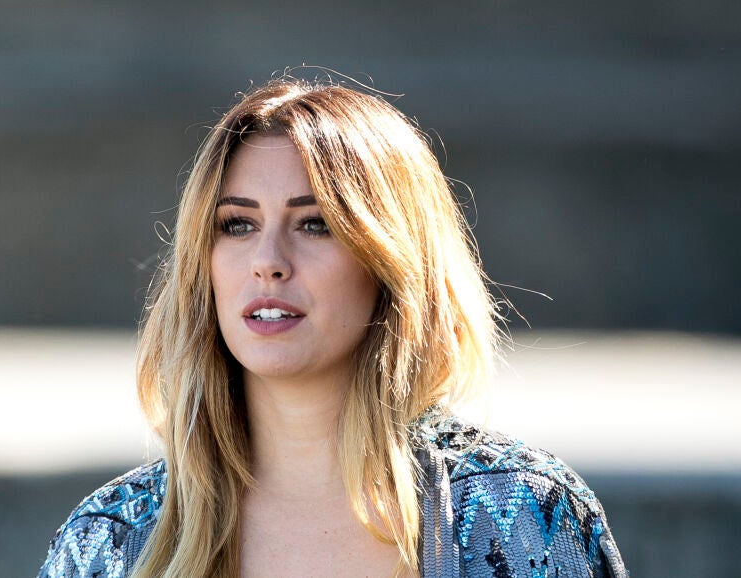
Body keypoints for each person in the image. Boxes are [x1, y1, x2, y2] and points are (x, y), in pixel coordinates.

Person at [37, 76, 628, 578]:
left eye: (315, 224)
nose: (268, 261)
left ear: (390, 260)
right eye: (238, 225)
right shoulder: (112, 542)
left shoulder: (520, 516)